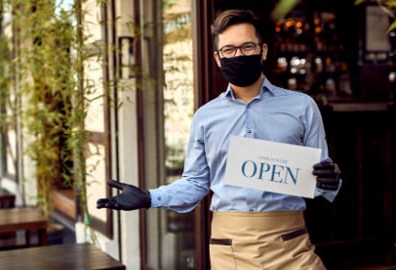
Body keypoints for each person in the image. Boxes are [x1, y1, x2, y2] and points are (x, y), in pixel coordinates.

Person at [97, 9, 341, 270]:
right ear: (217, 58)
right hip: (230, 246)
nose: (239, 55)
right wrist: (149, 197)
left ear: (264, 50)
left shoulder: (302, 106)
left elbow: (319, 177)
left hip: (290, 242)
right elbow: (196, 183)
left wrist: (331, 179)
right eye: (229, 50)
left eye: (247, 46)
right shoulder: (205, 117)